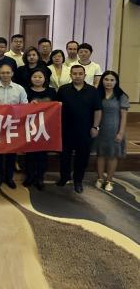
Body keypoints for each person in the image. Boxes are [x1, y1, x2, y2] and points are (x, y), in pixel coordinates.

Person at [56, 65, 102, 193]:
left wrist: (95, 127)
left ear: (85, 75)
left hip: (85, 130)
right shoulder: (63, 90)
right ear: (70, 75)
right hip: (65, 130)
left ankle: (78, 181)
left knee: (82, 158)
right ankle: (64, 178)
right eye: (74, 74)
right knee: (64, 156)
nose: (77, 76)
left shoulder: (92, 91)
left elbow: (98, 110)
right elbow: (55, 108)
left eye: (80, 74)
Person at [0, 64, 28, 188]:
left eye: (8, 72)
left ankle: (9, 178)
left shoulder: (19, 89)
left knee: (11, 153)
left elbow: (25, 106)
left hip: (13, 125)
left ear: (12, 74)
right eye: (3, 73)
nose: (5, 75)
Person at [94, 71, 129, 192]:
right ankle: (100, 178)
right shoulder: (97, 94)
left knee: (112, 156)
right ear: (102, 80)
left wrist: (121, 132)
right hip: (100, 129)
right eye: (106, 79)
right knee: (100, 154)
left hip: (114, 130)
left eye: (112, 80)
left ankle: (109, 180)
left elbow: (124, 116)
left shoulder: (121, 96)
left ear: (116, 82)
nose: (109, 82)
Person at [24, 68, 56, 190]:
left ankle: (40, 178)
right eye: (35, 77)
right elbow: (21, 107)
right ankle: (30, 176)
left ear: (45, 78)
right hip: (29, 127)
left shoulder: (52, 91)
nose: (37, 79)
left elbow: (56, 107)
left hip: (46, 127)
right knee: (30, 154)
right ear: (30, 78)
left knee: (42, 154)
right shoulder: (25, 90)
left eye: (40, 77)